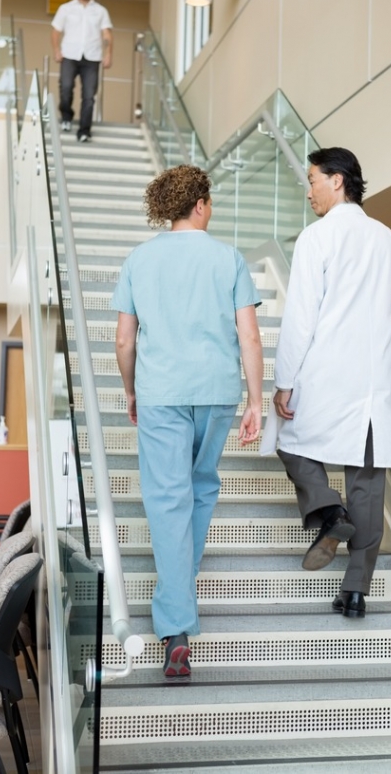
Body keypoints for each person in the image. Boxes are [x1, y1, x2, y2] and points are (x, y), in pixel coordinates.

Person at [112, 165, 263, 677]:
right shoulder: (229, 258)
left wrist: (131, 389)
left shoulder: (139, 259)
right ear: (199, 204)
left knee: (167, 498)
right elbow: (250, 338)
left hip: (162, 393)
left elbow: (124, 340)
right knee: (199, 490)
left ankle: (175, 622)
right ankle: (181, 594)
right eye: (211, 200)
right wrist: (256, 403)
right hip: (218, 392)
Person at [261, 147, 391, 619]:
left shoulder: (317, 238)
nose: (307, 191)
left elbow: (300, 318)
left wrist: (284, 381)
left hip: (326, 370)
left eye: (312, 180)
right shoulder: (388, 238)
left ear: (338, 181)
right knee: (367, 479)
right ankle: (355, 591)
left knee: (289, 440)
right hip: (376, 380)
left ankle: (329, 513)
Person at [51, 0, 113, 142]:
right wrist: (56, 50)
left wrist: (108, 54)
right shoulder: (66, 8)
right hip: (69, 55)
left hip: (92, 58)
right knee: (65, 87)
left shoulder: (100, 11)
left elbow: (107, 34)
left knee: (89, 96)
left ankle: (84, 131)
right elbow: (56, 31)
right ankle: (66, 116)